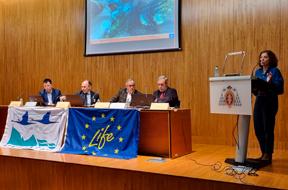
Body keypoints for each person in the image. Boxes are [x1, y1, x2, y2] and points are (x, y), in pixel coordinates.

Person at [253, 50, 284, 164]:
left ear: (270, 59)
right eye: (261, 57)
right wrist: (254, 89)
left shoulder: (275, 71)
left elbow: (280, 89)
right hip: (259, 101)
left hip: (270, 101)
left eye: (265, 57)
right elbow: (256, 90)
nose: (262, 59)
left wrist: (269, 84)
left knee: (268, 129)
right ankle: (263, 153)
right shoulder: (257, 72)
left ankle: (268, 154)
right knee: (258, 128)